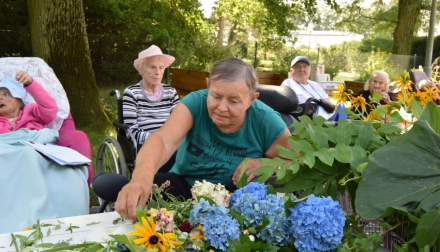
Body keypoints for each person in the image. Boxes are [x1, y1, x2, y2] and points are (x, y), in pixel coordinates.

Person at [94, 58, 293, 222]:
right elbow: (163, 140)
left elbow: (295, 160)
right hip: (184, 185)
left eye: (233, 101)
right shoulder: (195, 103)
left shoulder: (267, 121)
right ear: (207, 86)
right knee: (142, 207)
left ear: (252, 99)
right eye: (215, 96)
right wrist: (140, 179)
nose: (222, 108)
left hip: (238, 198)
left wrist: (263, 163)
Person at [0, 71, 89, 233]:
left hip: (35, 146)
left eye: (7, 94)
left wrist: (30, 85)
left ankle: (60, 217)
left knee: (59, 170)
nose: (1, 98)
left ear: (20, 100)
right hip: (8, 153)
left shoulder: (31, 112)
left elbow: (50, 108)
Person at [123, 45, 180, 149]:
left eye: (161, 68)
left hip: (171, 143)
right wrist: (157, 139)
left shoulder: (170, 92)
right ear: (142, 70)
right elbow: (131, 131)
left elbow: (178, 123)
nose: (157, 73)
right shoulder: (132, 93)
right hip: (146, 145)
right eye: (152, 67)